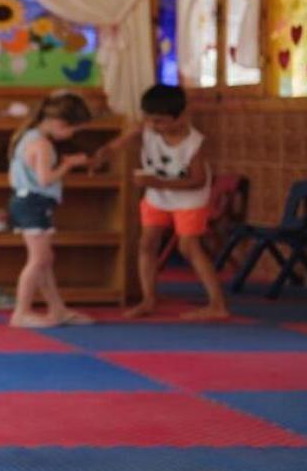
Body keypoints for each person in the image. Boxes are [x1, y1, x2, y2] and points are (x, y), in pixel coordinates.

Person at [93, 84, 228, 320]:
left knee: (188, 247)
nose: (154, 125)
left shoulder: (195, 143)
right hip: (158, 196)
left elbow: (197, 181)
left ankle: (217, 305)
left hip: (189, 199)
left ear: (181, 116)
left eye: (161, 121)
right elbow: (118, 144)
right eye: (150, 119)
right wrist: (104, 152)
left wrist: (157, 182)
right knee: (147, 243)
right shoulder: (146, 129)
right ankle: (148, 300)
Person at [8, 91, 95, 328]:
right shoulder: (42, 144)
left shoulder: (28, 136)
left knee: (44, 259)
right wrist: (68, 164)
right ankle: (21, 312)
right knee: (38, 260)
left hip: (27, 202)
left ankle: (57, 309)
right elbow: (45, 179)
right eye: (72, 129)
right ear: (59, 122)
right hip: (33, 203)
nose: (71, 135)